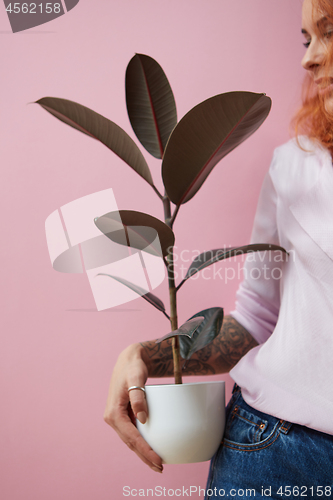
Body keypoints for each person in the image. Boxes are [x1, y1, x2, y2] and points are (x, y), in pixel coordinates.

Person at [104, 0, 333, 496]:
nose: (309, 59)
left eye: (329, 32)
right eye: (306, 38)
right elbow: (251, 324)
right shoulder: (294, 168)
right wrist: (148, 356)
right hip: (272, 451)